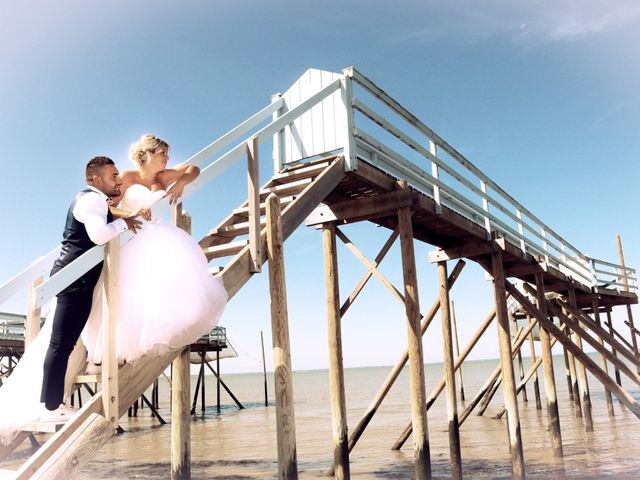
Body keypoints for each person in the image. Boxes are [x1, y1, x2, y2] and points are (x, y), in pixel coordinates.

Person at [81, 134, 228, 364]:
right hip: (131, 238)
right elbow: (109, 208)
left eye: (167, 154)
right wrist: (131, 214)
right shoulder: (128, 176)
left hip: (158, 237)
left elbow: (194, 168)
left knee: (169, 290)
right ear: (146, 154)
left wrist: (181, 182)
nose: (167, 158)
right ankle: (117, 351)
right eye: (162, 153)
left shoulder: (164, 176)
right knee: (131, 294)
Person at [39, 157, 146, 418]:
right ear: (96, 179)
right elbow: (99, 235)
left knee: (65, 343)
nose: (119, 179)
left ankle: (53, 404)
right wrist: (125, 224)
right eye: (113, 175)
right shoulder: (92, 199)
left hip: (78, 279)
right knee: (61, 344)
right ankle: (50, 407)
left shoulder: (96, 200)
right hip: (74, 279)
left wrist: (124, 218)